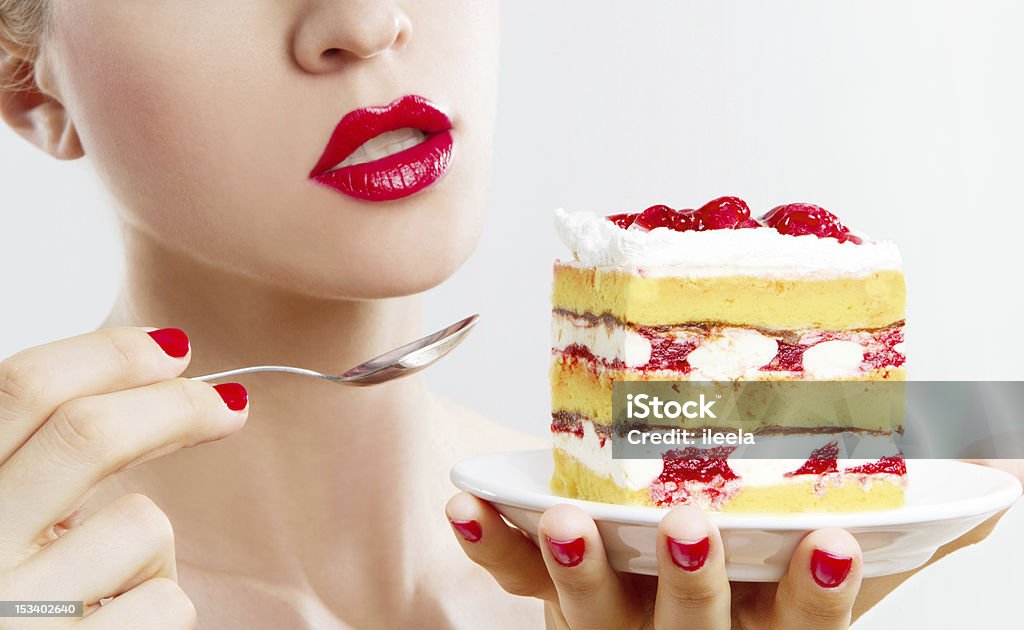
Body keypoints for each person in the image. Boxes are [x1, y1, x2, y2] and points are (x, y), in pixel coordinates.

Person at [0, 1, 1007, 628]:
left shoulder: (655, 552)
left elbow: (971, 422)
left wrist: (972, 427)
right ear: (25, 83)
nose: (363, 18)